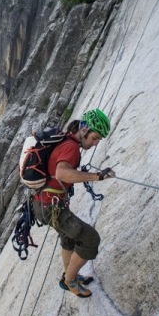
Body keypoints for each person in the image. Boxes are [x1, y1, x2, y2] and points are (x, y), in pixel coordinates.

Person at [32, 108, 114, 298]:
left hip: (45, 203)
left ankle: (73, 275)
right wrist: (97, 176)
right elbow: (62, 173)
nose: (94, 144)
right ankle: (69, 282)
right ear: (84, 130)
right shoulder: (70, 147)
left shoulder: (65, 140)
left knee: (69, 238)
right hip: (49, 205)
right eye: (94, 138)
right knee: (90, 239)